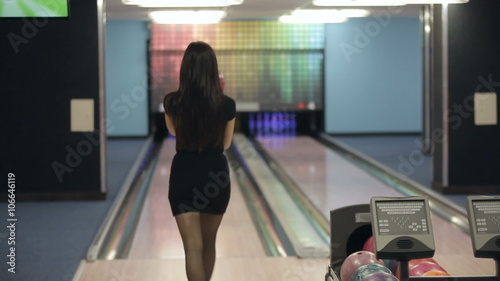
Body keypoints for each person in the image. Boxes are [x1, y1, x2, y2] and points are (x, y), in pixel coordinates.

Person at [163, 41, 236, 281]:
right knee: (208, 243)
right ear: (213, 69)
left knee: (192, 248)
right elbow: (225, 144)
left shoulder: (172, 102)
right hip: (215, 175)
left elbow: (174, 133)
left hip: (184, 174)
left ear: (185, 68)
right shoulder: (226, 104)